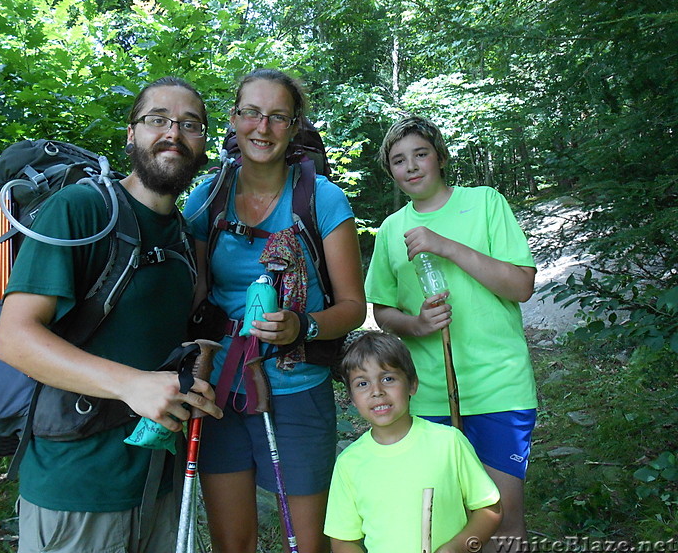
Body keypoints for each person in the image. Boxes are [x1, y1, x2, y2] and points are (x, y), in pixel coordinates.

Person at [0, 76, 223, 553]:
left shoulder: (183, 236)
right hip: (76, 487)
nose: (173, 134)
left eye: (190, 124)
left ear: (204, 142)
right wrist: (132, 384)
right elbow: (14, 338)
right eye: (156, 120)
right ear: (130, 134)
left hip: (159, 483)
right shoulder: (80, 209)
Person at [184, 68, 366, 553]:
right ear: (233, 119)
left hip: (297, 387)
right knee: (232, 542)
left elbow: (353, 306)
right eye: (251, 113)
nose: (262, 128)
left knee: (309, 544)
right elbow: (193, 297)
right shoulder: (205, 200)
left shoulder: (322, 200)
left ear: (294, 125)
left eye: (277, 116)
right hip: (219, 387)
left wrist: (301, 326)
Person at [365, 116, 536, 551]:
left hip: (499, 384)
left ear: (440, 157)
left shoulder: (484, 203)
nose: (412, 167)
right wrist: (417, 325)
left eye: (420, 154)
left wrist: (445, 245)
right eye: (399, 160)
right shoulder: (390, 230)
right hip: (428, 394)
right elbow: (383, 310)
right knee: (442, 522)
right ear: (391, 171)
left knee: (502, 515)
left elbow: (521, 285)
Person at [324, 330, 502, 553]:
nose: (377, 391)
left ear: (412, 384)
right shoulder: (349, 463)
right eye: (362, 384)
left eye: (388, 378)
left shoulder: (448, 443)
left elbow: (489, 510)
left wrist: (455, 549)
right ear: (351, 397)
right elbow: (342, 541)